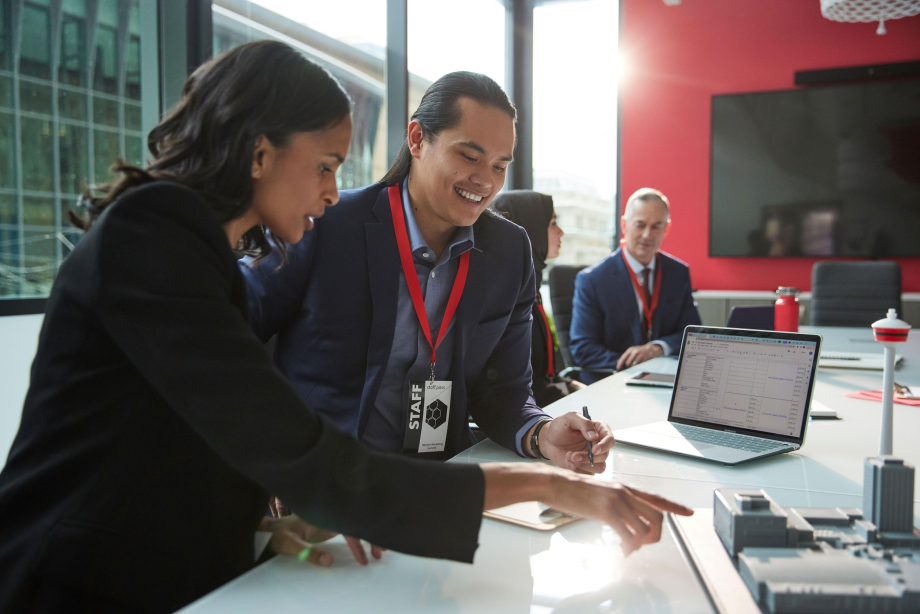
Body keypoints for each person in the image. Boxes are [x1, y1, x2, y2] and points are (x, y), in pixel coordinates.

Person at [0, 42, 691, 613]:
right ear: (259, 152)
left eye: (502, 166)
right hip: (84, 578)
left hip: (202, 554)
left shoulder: (189, 245)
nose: (332, 191)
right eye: (325, 166)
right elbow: (281, 435)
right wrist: (549, 485)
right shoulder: (156, 240)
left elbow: (209, 422)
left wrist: (277, 509)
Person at [242, 72, 606, 472]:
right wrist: (272, 445)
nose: (485, 181)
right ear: (417, 139)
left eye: (500, 166)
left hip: (437, 480)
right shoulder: (326, 223)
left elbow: (504, 390)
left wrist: (540, 433)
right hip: (327, 477)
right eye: (469, 156)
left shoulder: (508, 250)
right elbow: (231, 335)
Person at [570, 188, 701, 383]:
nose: (647, 235)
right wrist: (636, 364)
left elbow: (693, 331)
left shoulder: (678, 273)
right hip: (611, 381)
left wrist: (658, 348)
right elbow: (583, 349)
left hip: (665, 378)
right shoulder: (593, 280)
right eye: (640, 225)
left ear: (667, 228)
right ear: (624, 225)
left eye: (656, 226)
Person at [491, 190, 586, 407]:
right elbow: (515, 389)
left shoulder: (529, 286)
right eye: (553, 223)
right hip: (528, 419)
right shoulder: (507, 298)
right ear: (530, 230)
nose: (561, 232)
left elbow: (541, 374)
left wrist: (571, 386)